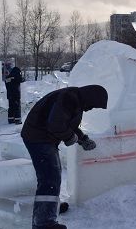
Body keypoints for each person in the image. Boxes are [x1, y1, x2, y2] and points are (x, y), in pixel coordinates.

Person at [21, 85, 108, 229]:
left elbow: (68, 123)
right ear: (90, 98)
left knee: (52, 175)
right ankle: (44, 223)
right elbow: (55, 125)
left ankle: (50, 207)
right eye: (92, 106)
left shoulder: (76, 99)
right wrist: (70, 137)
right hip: (38, 137)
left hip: (43, 136)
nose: (90, 109)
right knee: (49, 177)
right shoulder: (69, 98)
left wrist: (83, 139)